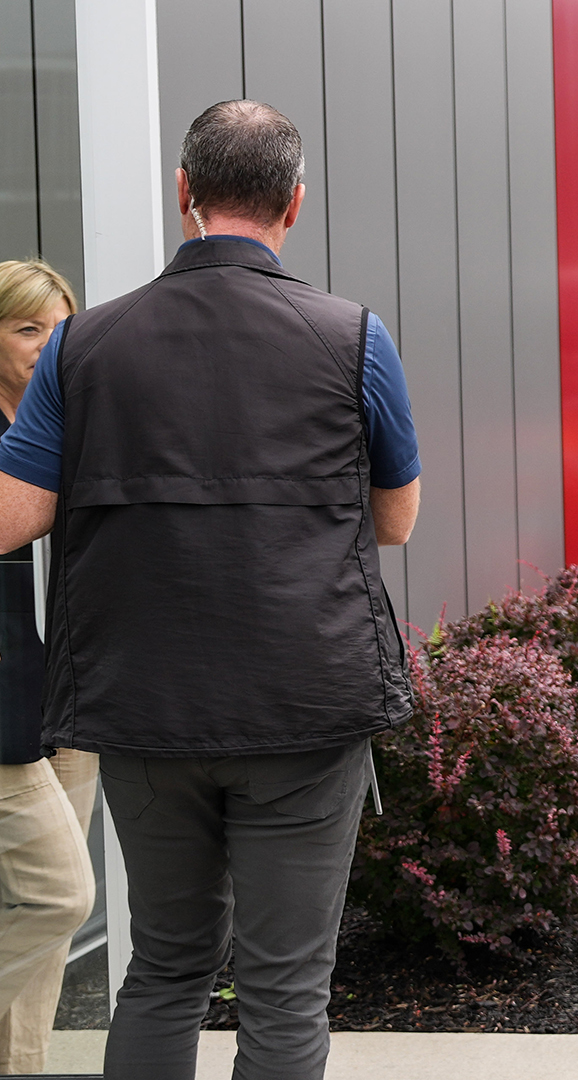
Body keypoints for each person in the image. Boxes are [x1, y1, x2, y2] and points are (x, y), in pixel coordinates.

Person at [0, 100, 421, 1080]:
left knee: (164, 967)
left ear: (183, 193)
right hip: (306, 709)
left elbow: (13, 517)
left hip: (146, 707)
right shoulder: (354, 336)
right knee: (283, 991)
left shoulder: (80, 345)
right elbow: (395, 522)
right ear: (296, 204)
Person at [0, 259, 96, 1075]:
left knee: (47, 918)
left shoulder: (78, 420)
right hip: (8, 703)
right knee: (57, 894)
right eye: (28, 327)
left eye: (60, 327)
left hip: (73, 693)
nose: (47, 345)